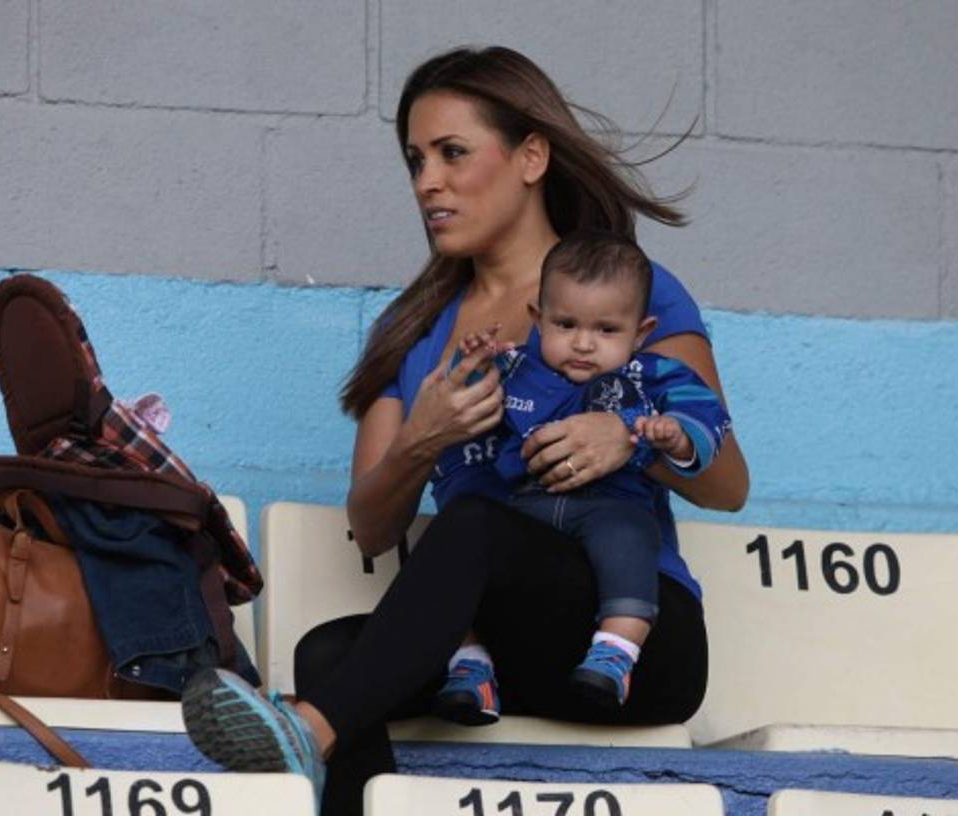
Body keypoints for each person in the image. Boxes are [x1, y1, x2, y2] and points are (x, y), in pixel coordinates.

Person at [181, 45, 750, 816]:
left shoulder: (623, 292)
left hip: (634, 639)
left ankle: (304, 736)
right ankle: (319, 747)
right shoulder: (414, 329)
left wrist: (628, 436)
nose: (427, 183)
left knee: (474, 524)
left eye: (452, 154)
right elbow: (372, 526)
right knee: (329, 651)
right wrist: (423, 438)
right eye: (415, 161)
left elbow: (729, 485)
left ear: (531, 157)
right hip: (491, 653)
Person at [434, 230, 732, 723]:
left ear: (640, 332)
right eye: (565, 323)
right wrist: (470, 365)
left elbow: (706, 413)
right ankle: (471, 665)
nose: (583, 343)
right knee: (463, 546)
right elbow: (458, 403)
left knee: (633, 537)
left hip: (610, 507)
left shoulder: (650, 376)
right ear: (537, 319)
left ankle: (616, 651)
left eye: (607, 330)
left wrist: (677, 436)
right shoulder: (515, 368)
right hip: (526, 508)